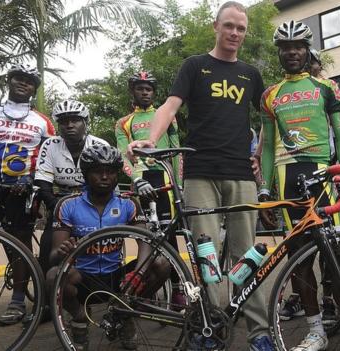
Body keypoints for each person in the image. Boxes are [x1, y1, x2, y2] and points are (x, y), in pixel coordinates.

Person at [126, 2, 273, 350]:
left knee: (246, 254)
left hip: (240, 173)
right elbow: (170, 105)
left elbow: (269, 117)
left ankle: (259, 332)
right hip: (199, 172)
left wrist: (258, 154)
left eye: (241, 28)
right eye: (229, 26)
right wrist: (151, 137)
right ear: (216, 26)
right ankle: (213, 326)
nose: (235, 33)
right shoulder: (195, 65)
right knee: (207, 254)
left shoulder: (251, 74)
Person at [259, 20, 340, 351]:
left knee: (337, 256)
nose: (292, 52)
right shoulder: (270, 95)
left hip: (323, 174)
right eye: (285, 48)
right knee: (300, 258)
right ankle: (315, 332)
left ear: (307, 50)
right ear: (279, 52)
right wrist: (264, 189)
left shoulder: (326, 88)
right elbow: (266, 147)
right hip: (286, 177)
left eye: (298, 47)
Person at [45, 144, 170, 351]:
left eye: (111, 172)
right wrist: (62, 252)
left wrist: (138, 274)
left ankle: (126, 313)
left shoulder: (128, 204)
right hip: (83, 278)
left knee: (161, 264)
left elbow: (146, 242)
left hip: (117, 278)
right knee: (53, 275)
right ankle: (79, 317)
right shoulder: (67, 204)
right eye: (97, 171)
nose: (105, 177)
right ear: (86, 174)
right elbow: (52, 257)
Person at [0, 64, 55, 325]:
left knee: (19, 244)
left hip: (22, 190)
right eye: (18, 79)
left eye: (29, 81)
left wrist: (32, 181)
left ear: (34, 88)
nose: (23, 84)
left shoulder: (42, 121)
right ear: (9, 82)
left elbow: (48, 158)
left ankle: (18, 300)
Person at [115, 71, 185, 307]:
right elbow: (124, 157)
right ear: (132, 91)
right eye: (140, 88)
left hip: (165, 179)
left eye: (149, 89)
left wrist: (179, 184)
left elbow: (176, 151)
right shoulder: (123, 122)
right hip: (141, 180)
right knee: (145, 236)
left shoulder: (165, 116)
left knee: (170, 235)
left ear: (154, 92)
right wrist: (136, 179)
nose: (145, 92)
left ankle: (177, 288)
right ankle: (148, 286)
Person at [35, 100, 109, 276]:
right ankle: (46, 295)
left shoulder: (100, 145)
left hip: (92, 199)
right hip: (60, 200)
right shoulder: (50, 145)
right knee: (47, 244)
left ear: (85, 123)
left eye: (75, 120)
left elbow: (108, 181)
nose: (69, 125)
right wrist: (58, 209)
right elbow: (43, 183)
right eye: (63, 121)